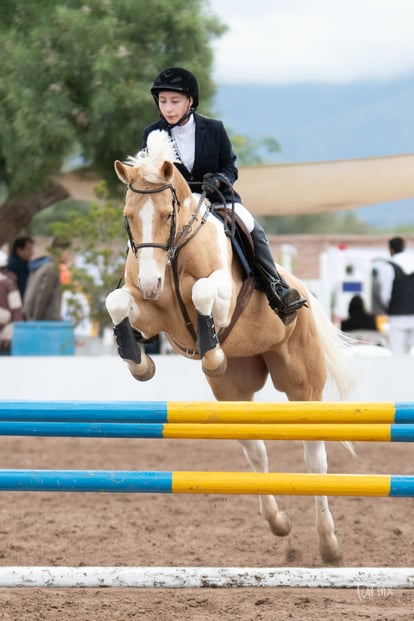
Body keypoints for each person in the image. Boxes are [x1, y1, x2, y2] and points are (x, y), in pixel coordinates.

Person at [141, 67, 307, 325]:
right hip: (176, 204)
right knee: (143, 232)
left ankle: (276, 287)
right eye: (163, 102)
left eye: (175, 101)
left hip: (216, 199)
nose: (168, 108)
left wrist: (218, 179)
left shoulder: (214, 129)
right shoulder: (152, 134)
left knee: (251, 226)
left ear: (190, 101)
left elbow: (230, 168)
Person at [375, 237, 414, 354]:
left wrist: (389, 305)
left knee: (398, 351)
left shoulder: (389, 266)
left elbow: (385, 294)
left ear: (391, 250)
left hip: (397, 315)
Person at [23, 238, 70, 321]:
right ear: (60, 250)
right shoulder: (51, 269)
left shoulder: (41, 266)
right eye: (68, 252)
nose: (69, 256)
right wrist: (35, 321)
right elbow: (41, 298)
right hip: (46, 322)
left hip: (37, 320)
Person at [0, 250, 23, 355]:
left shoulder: (8, 285)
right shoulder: (10, 285)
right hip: (7, 338)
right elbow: (17, 311)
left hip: (6, 338)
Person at [7, 236, 34, 300]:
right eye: (29, 249)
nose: (32, 252)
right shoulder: (13, 266)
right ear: (19, 250)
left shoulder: (24, 264)